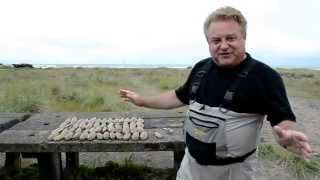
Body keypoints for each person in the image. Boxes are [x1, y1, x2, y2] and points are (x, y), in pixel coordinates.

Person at [119, 6, 312, 180]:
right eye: (216, 40)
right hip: (190, 169)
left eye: (230, 38)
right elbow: (177, 96)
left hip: (232, 173)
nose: (223, 45)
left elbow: (282, 120)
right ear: (208, 42)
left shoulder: (265, 77)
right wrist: (142, 101)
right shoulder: (201, 68)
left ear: (243, 38)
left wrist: (286, 136)